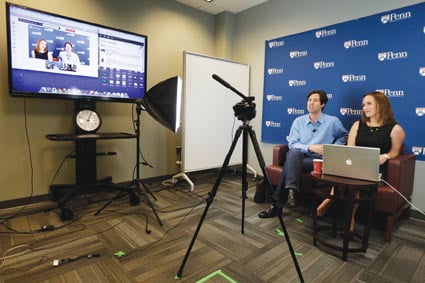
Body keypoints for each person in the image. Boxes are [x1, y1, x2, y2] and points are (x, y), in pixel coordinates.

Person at [316, 91, 405, 234]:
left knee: (356, 180)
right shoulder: (357, 125)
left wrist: (386, 156)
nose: (365, 107)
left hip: (376, 170)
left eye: (369, 104)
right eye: (363, 104)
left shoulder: (395, 129)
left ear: (381, 105)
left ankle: (347, 215)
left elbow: (395, 152)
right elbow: (350, 149)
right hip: (353, 166)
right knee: (346, 172)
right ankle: (331, 201)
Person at [258, 90, 348, 218]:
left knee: (290, 163)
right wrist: (311, 147)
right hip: (300, 157)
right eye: (309, 100)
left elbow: (344, 136)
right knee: (294, 153)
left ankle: (279, 203)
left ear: (322, 104)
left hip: (318, 161)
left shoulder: (332, 121)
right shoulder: (298, 121)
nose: (311, 103)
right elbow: (292, 143)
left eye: (315, 100)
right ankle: (291, 190)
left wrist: (331, 149)